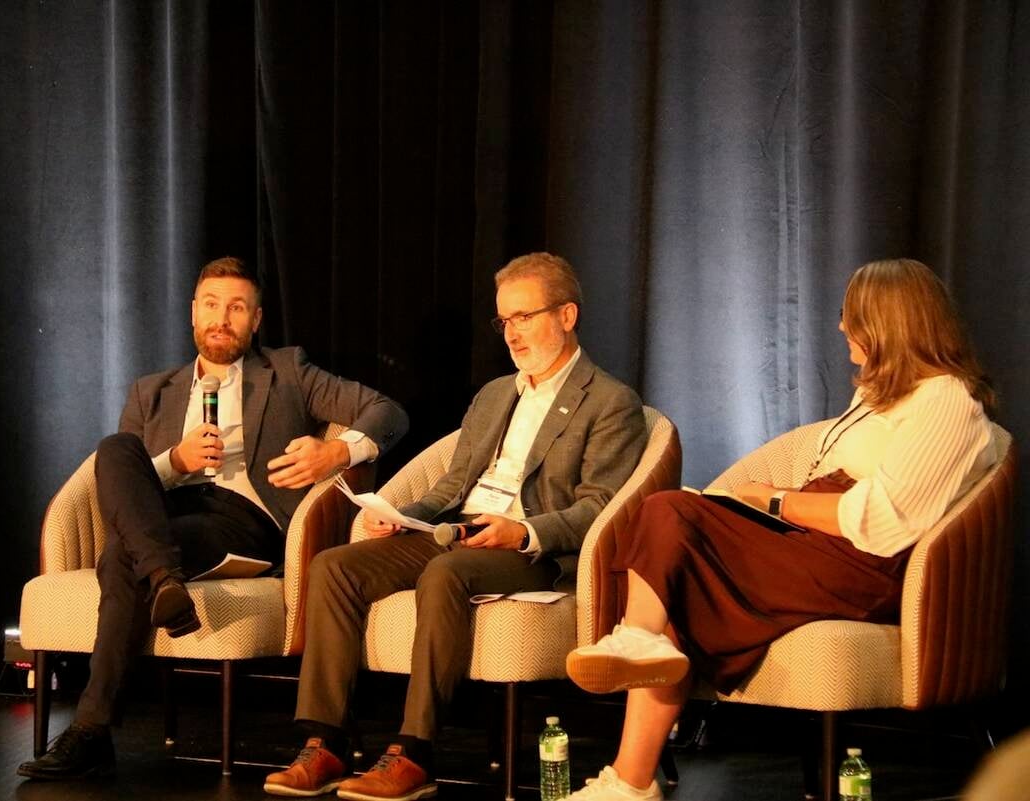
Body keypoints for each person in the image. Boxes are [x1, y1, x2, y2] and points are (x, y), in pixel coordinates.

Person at [562, 258, 998, 801]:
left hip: (861, 564)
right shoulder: (877, 396)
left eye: (851, 315)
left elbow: (884, 521)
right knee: (668, 551)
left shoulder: (947, 399)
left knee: (669, 513)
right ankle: (631, 772)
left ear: (889, 322)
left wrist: (773, 501)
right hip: (811, 546)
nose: (841, 326)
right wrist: (757, 511)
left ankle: (638, 654)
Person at [264, 252, 648, 801]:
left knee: (445, 572)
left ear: (567, 316)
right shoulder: (493, 395)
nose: (512, 334)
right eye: (505, 321)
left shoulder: (611, 402)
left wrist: (525, 532)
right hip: (459, 532)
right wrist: (402, 516)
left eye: (525, 317)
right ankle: (325, 742)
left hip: (529, 546)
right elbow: (451, 487)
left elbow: (601, 506)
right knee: (335, 567)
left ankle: (416, 751)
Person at [17, 257, 409, 780]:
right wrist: (174, 463)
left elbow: (389, 411)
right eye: (211, 305)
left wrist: (337, 452)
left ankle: (91, 730)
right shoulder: (151, 391)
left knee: (119, 556)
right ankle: (163, 579)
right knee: (116, 451)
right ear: (193, 314)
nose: (222, 318)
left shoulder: (289, 372)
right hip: (165, 516)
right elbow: (123, 484)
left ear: (256, 319)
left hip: (246, 520)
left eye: (237, 307)